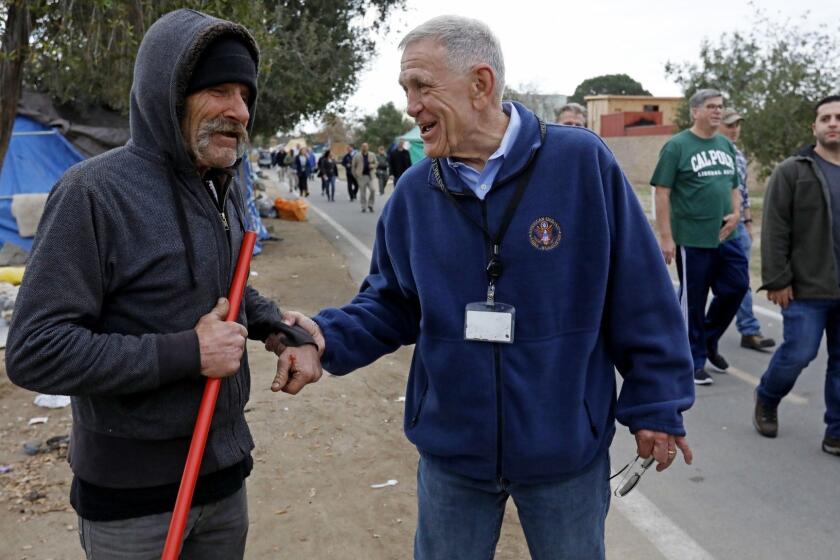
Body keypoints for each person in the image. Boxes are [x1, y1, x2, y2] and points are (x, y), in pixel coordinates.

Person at [271, 15, 694, 559]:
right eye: (405, 89)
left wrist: (656, 404)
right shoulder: (414, 193)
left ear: (481, 84)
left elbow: (641, 293)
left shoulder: (581, 164)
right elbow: (389, 302)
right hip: (454, 454)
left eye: (422, 87)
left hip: (564, 448)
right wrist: (324, 337)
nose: (410, 105)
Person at [4, 9, 321, 559]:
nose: (238, 111)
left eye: (245, 94)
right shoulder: (92, 194)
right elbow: (34, 352)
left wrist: (272, 324)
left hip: (223, 480)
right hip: (135, 504)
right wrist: (187, 352)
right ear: (167, 95)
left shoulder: (220, 185)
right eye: (218, 90)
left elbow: (224, 285)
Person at [754, 95, 840, 457]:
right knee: (798, 353)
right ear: (814, 127)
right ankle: (768, 397)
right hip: (806, 287)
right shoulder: (793, 170)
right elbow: (775, 228)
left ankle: (835, 431)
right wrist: (777, 279)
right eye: (826, 118)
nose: (833, 123)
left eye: (839, 117)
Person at [651, 88, 749, 386]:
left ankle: (707, 340)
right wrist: (666, 238)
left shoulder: (725, 145)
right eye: (711, 107)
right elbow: (662, 193)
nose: (718, 111)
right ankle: (693, 360)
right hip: (692, 238)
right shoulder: (677, 147)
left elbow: (734, 185)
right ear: (695, 111)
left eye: (720, 106)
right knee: (693, 301)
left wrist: (735, 212)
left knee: (736, 287)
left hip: (726, 237)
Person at [717, 108, 775, 351]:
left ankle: (749, 330)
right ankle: (694, 336)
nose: (735, 129)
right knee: (702, 286)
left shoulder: (739, 155)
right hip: (712, 225)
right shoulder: (711, 152)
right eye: (730, 125)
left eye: (737, 125)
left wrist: (748, 222)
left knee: (740, 281)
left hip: (738, 226)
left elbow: (743, 193)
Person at [352, 142, 378, 213]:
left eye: (366, 146)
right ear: (361, 147)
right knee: (362, 192)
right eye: (363, 146)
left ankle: (370, 205)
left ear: (368, 147)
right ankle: (363, 206)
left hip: (370, 176)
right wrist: (356, 176)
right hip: (361, 176)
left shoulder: (372, 155)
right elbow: (353, 166)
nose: (364, 148)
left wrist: (373, 166)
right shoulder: (357, 156)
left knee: (373, 190)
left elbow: (376, 163)